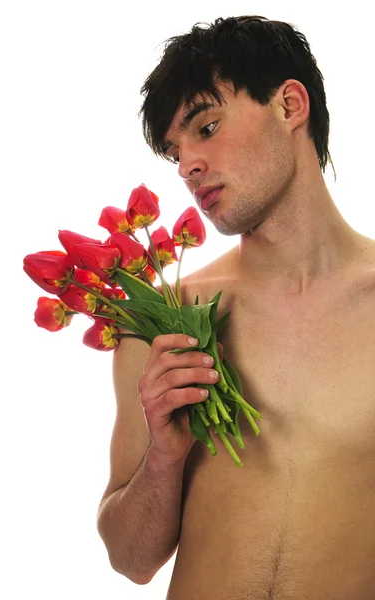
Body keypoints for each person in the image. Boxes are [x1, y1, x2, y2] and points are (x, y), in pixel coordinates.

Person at [97, 15, 375, 599]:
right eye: (175, 151)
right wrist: (162, 458)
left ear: (290, 105)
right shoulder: (165, 322)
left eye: (207, 126)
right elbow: (131, 560)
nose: (186, 166)